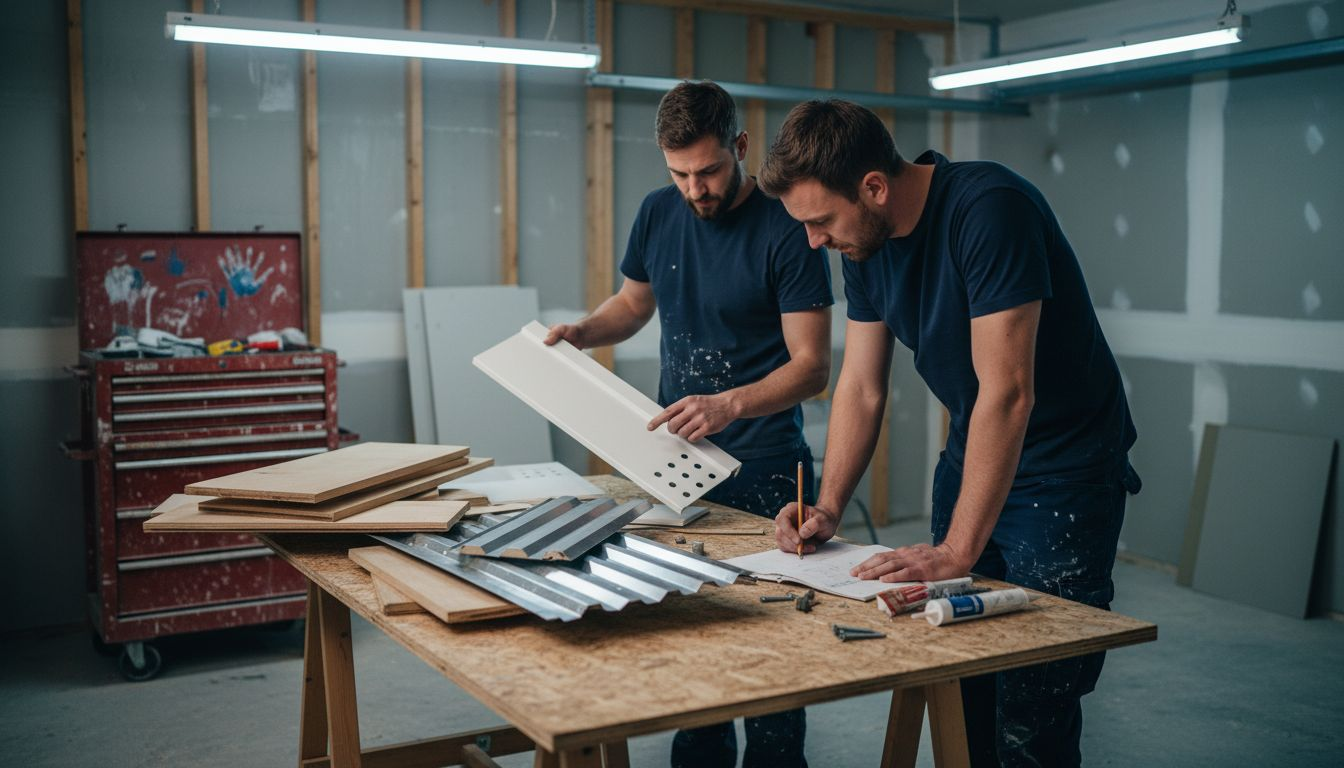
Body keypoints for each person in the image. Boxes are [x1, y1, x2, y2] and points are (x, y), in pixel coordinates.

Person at [760, 99, 1141, 768]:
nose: (813, 242)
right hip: (976, 457)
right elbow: (861, 386)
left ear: (874, 187)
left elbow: (1009, 391)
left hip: (1065, 472)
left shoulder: (990, 209)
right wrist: (826, 506)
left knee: (1034, 699)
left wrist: (958, 548)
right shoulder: (864, 242)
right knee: (955, 681)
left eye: (820, 221)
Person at [544, 81, 832, 768]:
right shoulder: (657, 213)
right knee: (691, 642)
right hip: (675, 471)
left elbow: (813, 366)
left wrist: (729, 404)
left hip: (764, 471)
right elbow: (633, 305)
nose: (695, 189)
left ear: (738, 148)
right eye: (680, 175)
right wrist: (585, 331)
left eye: (708, 171)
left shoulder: (788, 226)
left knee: (770, 665)